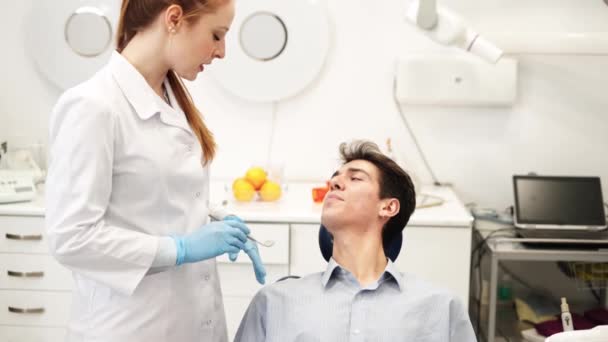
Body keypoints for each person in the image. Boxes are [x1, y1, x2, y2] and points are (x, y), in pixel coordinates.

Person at [45, 1, 265, 341]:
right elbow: (72, 237)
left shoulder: (170, 98)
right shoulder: (93, 105)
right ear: (174, 18)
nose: (221, 51)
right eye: (216, 34)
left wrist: (214, 219)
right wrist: (181, 248)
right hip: (129, 327)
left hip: (189, 322)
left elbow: (152, 194)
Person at [234, 140, 476, 342]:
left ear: (388, 206)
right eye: (336, 179)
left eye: (356, 178)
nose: (335, 184)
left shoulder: (440, 308)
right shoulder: (274, 302)